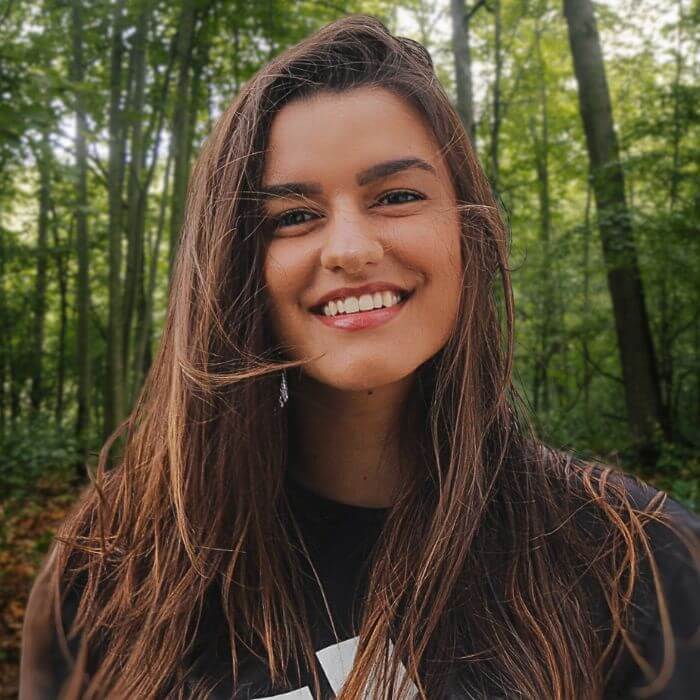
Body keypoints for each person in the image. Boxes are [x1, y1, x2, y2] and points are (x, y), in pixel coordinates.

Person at [19, 14, 700, 700]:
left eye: (397, 197)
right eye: (292, 216)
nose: (349, 248)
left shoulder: (642, 565)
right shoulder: (111, 570)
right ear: (233, 267)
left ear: (470, 231)